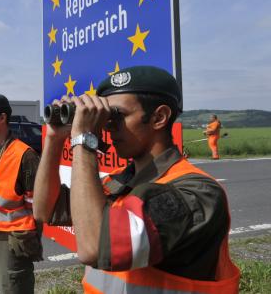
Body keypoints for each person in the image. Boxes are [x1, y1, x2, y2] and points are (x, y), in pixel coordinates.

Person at [33, 66, 240, 293]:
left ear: (159, 117)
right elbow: (45, 210)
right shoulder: (120, 183)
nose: (109, 126)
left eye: (117, 115)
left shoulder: (196, 192)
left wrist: (84, 138)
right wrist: (54, 138)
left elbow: (94, 247)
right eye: (106, 116)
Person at [0, 94, 42, 294]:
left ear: (2, 118)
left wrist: (31, 242)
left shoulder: (25, 155)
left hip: (11, 241)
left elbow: (37, 205)